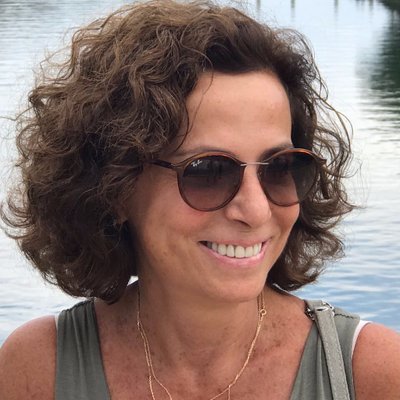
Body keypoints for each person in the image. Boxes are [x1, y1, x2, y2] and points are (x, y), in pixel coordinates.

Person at [0, 0, 399, 399]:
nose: (256, 210)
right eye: (209, 172)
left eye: (280, 168)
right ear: (115, 188)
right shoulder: (37, 370)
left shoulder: (371, 374)